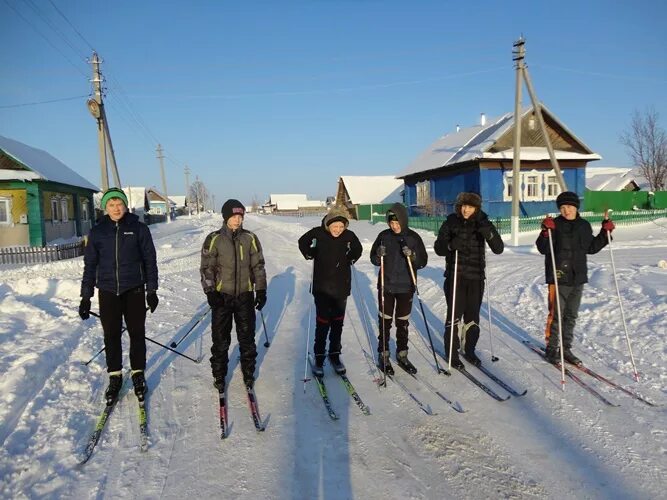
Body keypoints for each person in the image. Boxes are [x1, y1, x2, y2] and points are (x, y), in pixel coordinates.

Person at [79, 187, 159, 404]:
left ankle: (138, 373)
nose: (116, 208)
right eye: (111, 205)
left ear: (125, 205)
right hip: (107, 291)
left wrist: (151, 291)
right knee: (111, 334)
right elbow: (90, 265)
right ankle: (115, 375)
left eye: (119, 204)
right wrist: (85, 297)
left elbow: (150, 260)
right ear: (105, 208)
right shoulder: (97, 232)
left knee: (136, 333)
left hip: (133, 289)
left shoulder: (139, 228)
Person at [536, 191, 614, 365]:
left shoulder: (583, 226)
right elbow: (543, 248)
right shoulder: (553, 225)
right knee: (556, 315)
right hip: (558, 276)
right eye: (562, 207)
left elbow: (591, 248)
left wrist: (605, 233)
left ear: (576, 207)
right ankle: (551, 348)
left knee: (571, 315)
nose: (566, 210)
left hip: (578, 276)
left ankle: (566, 349)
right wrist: (545, 232)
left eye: (569, 207)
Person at [200, 199, 267, 392]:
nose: (238, 220)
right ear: (226, 217)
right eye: (234, 216)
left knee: (247, 338)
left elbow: (258, 266)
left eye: (240, 216)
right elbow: (207, 268)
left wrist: (261, 289)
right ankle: (219, 375)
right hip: (222, 296)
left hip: (245, 295)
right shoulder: (214, 239)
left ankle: (248, 373)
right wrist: (211, 291)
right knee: (220, 339)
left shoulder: (250, 238)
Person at [434, 192, 504, 368]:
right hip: (455, 277)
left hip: (476, 279)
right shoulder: (451, 221)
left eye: (470, 206)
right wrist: (450, 245)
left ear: (476, 208)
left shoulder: (483, 222)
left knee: (472, 317)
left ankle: (469, 350)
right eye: (463, 206)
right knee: (454, 317)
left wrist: (488, 233)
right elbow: (438, 248)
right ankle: (452, 353)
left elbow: (498, 248)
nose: (466, 209)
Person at [298, 208, 363, 377]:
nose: (338, 230)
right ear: (328, 224)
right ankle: (319, 357)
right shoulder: (318, 233)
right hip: (322, 288)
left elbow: (358, 248)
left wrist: (351, 257)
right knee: (322, 324)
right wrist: (309, 252)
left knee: (337, 324)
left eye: (341, 227)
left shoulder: (349, 236)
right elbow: (302, 241)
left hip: (341, 287)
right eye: (335, 226)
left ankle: (334, 355)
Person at [370, 203, 427, 375]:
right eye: (391, 223)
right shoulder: (383, 236)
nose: (394, 226)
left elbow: (422, 262)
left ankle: (402, 353)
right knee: (385, 321)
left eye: (397, 223)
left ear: (403, 220)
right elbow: (373, 258)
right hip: (386, 286)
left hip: (406, 287)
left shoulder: (413, 237)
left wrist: (413, 256)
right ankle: (384, 353)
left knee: (402, 323)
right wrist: (378, 255)